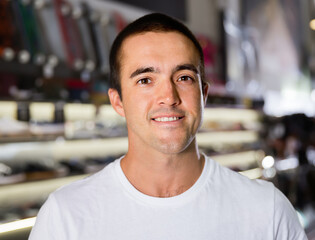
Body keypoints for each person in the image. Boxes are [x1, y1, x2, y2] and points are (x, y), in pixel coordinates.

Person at [29, 13, 307, 239]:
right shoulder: (65, 215)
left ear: (204, 94)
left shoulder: (267, 209)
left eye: (184, 77)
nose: (168, 97)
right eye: (145, 80)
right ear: (118, 102)